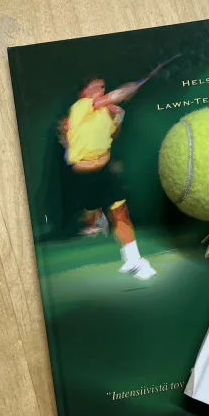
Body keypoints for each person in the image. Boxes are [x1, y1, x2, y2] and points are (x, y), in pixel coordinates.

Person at [59, 78, 156, 280]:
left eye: (103, 87)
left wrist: (118, 118)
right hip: (83, 174)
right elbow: (116, 96)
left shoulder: (102, 113)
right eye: (96, 86)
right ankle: (96, 217)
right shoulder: (80, 106)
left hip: (105, 170)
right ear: (83, 91)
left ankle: (133, 260)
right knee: (91, 213)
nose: (101, 90)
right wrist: (132, 87)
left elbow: (111, 135)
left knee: (120, 212)